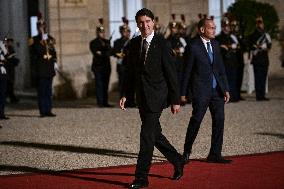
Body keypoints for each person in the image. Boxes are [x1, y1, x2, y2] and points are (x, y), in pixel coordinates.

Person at [119, 8, 184, 189]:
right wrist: (125, 94)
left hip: (157, 97)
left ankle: (141, 178)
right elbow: (129, 72)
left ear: (153, 22)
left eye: (148, 21)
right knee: (155, 135)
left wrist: (175, 100)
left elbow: (172, 74)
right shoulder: (133, 44)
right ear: (137, 24)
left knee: (146, 136)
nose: (145, 25)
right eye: (141, 22)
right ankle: (178, 160)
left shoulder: (163, 44)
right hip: (141, 97)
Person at [181, 18, 232, 164]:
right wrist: (182, 93)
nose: (214, 30)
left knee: (219, 120)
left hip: (217, 92)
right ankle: (186, 151)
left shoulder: (215, 44)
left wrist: (226, 89)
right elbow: (186, 71)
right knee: (196, 120)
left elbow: (220, 69)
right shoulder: (193, 46)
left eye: (214, 28)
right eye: (211, 28)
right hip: (201, 92)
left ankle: (215, 154)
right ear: (202, 29)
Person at [29, 14, 57, 117]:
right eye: (40, 26)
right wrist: (42, 41)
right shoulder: (34, 40)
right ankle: (42, 111)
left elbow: (53, 52)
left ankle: (48, 109)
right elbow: (37, 51)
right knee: (42, 91)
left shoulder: (49, 39)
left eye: (43, 26)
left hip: (49, 68)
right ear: (37, 28)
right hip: (41, 68)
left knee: (48, 91)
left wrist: (55, 62)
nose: (42, 28)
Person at [216, 17, 240, 102]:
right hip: (224, 62)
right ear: (222, 27)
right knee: (225, 80)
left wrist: (231, 47)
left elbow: (238, 46)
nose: (227, 28)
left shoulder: (232, 37)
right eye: (225, 26)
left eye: (228, 26)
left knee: (233, 79)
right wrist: (224, 46)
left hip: (233, 61)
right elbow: (217, 48)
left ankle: (234, 96)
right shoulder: (218, 37)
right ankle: (226, 97)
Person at [90, 18, 112, 107]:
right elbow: (96, 52)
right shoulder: (93, 42)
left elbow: (110, 52)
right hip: (98, 67)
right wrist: (104, 52)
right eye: (100, 32)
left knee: (105, 85)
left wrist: (104, 52)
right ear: (97, 33)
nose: (102, 34)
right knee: (99, 85)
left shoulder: (107, 42)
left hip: (106, 66)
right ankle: (100, 102)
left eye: (103, 32)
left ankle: (105, 102)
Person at [112, 17, 135, 106]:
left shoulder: (132, 42)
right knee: (122, 85)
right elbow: (114, 52)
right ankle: (123, 102)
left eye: (128, 31)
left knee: (131, 84)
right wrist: (121, 54)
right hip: (122, 65)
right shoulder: (117, 42)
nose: (127, 33)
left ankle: (131, 101)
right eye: (125, 31)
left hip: (131, 65)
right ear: (121, 32)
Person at [248, 16, 271, 101]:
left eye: (261, 23)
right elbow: (251, 45)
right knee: (258, 78)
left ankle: (262, 95)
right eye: (259, 23)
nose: (261, 25)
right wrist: (259, 46)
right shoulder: (253, 35)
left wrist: (265, 46)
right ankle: (259, 95)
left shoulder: (266, 34)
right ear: (257, 24)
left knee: (263, 78)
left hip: (264, 59)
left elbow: (269, 45)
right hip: (257, 59)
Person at [4, 38, 20, 103]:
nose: (11, 43)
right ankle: (10, 98)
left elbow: (12, 57)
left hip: (11, 69)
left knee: (10, 84)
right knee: (8, 84)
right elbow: (6, 57)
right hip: (7, 69)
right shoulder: (5, 48)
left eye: (11, 42)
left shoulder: (11, 48)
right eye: (10, 42)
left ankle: (12, 98)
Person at [0, 39, 9, 120]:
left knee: (2, 94)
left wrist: (4, 46)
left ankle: (1, 113)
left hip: (3, 71)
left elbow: (7, 55)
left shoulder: (1, 45)